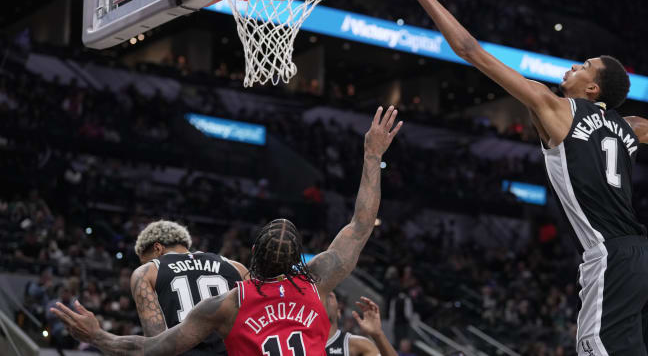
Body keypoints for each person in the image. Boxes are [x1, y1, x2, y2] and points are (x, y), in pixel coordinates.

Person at [377, 0, 648, 355]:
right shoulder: (632, 127)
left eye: (585, 65)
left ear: (594, 90)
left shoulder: (554, 108)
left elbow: (469, 50)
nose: (574, 65)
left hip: (611, 259)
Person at [51, 106, 403, 356]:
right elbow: (360, 224)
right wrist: (372, 155)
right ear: (299, 261)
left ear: (252, 255)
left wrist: (99, 337)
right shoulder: (314, 282)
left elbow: (153, 347)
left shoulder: (228, 303)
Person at [130, 220, 248, 356]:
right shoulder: (236, 267)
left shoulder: (146, 272)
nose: (147, 264)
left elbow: (156, 342)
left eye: (146, 260)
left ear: (158, 248)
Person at [325, 293, 397, 356]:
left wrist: (378, 334)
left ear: (338, 312)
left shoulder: (356, 345)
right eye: (320, 296)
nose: (325, 301)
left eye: (329, 296)